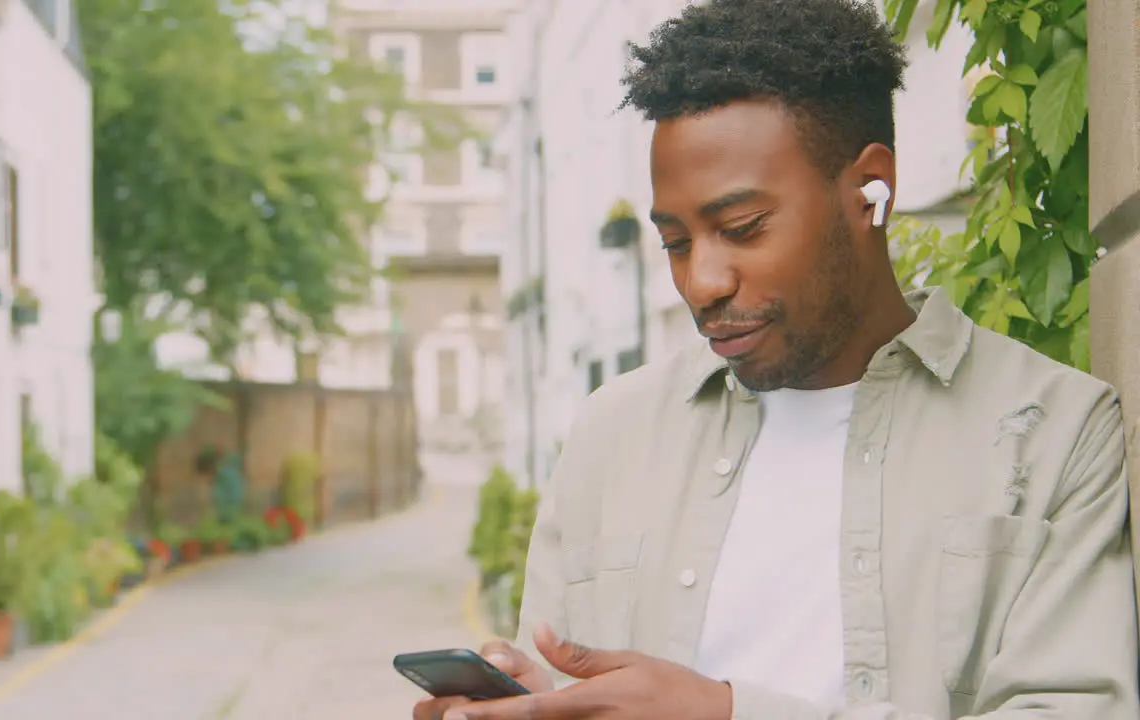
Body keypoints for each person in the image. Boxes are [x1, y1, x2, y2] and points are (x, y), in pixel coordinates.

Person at [413, 0, 1140, 718]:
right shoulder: (612, 433)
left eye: (742, 227)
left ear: (870, 190)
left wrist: (729, 714)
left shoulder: (1050, 432)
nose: (701, 282)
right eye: (675, 242)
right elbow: (564, 688)